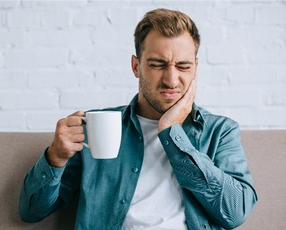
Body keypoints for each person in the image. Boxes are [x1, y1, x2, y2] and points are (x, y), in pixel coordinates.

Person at [19, 8, 258, 229]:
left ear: (195, 68)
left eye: (183, 67)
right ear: (136, 66)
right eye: (157, 64)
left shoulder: (220, 131)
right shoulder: (95, 127)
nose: (171, 80)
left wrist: (171, 132)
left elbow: (235, 212)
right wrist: (55, 157)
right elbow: (31, 212)